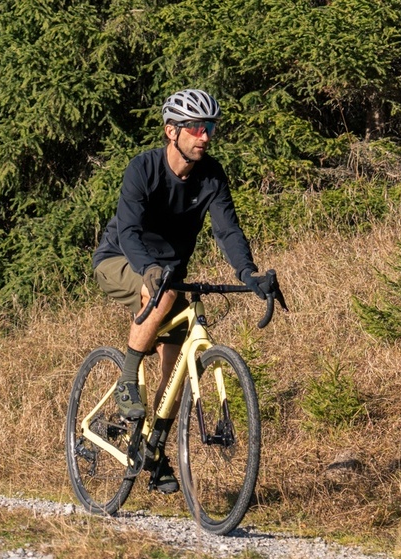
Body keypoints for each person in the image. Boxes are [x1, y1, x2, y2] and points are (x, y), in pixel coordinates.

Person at [91, 88, 273, 494]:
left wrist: (249, 273)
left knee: (174, 376)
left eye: (208, 127)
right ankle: (125, 380)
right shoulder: (144, 169)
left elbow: (227, 230)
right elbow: (131, 229)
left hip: (168, 277)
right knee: (167, 294)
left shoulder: (211, 176)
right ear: (172, 131)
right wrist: (148, 270)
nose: (204, 136)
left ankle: (151, 451)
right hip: (120, 261)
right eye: (195, 127)